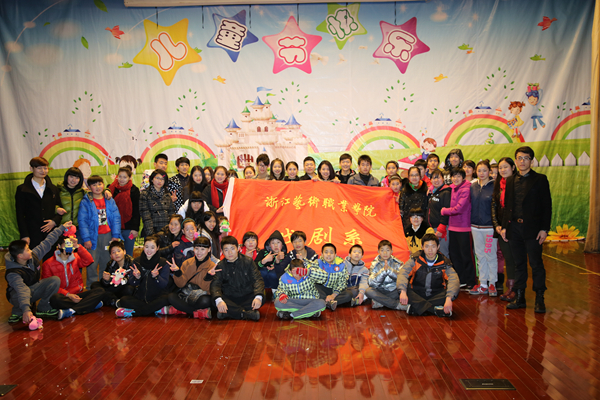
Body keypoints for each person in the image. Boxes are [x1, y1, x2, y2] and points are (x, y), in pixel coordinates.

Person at [501, 146, 551, 313]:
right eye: (519, 158)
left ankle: (539, 298)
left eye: (526, 158)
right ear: (516, 161)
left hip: (533, 229)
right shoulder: (510, 180)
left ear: (531, 161)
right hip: (514, 228)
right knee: (519, 264)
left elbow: (547, 206)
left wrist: (544, 229)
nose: (522, 161)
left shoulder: (540, 179)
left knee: (536, 264)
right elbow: (507, 207)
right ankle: (520, 297)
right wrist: (505, 227)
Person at [6, 221, 74, 324]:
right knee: (22, 293)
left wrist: (62, 228)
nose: (30, 251)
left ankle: (43, 308)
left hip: (32, 290)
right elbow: (22, 290)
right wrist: (26, 309)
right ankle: (18, 311)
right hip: (17, 295)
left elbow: (47, 242)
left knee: (54, 280)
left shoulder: (33, 256)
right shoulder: (13, 272)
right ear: (20, 256)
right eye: (27, 250)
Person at [42, 234, 106, 315]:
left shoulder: (75, 257)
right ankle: (88, 305)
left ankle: (72, 310)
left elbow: (89, 260)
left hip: (77, 294)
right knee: (55, 299)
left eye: (70, 245)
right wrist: (68, 295)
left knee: (100, 291)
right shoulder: (48, 264)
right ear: (59, 246)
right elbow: (48, 286)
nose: (68, 248)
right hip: (63, 296)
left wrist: (77, 246)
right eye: (66, 245)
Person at [397, 233, 459, 317]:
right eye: (427, 246)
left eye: (433, 246)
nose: (430, 250)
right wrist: (403, 291)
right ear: (422, 247)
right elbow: (403, 273)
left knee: (452, 294)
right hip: (417, 294)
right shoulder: (415, 259)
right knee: (403, 290)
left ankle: (417, 308)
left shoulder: (444, 262)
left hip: (436, 295)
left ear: (438, 247)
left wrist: (448, 298)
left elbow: (454, 279)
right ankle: (434, 310)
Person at [78, 175, 122, 289]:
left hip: (107, 236)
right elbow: (82, 221)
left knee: (106, 261)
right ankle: (91, 287)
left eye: (100, 184)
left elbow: (116, 218)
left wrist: (115, 235)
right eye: (94, 185)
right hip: (93, 237)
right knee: (92, 262)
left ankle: (104, 286)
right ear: (89, 187)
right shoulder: (86, 202)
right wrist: (86, 239)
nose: (98, 187)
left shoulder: (109, 199)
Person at [210, 236, 264, 321]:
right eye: (226, 250)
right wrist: (219, 301)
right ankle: (245, 313)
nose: (230, 252)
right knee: (214, 299)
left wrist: (258, 297)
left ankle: (230, 312)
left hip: (247, 296)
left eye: (232, 248)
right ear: (222, 251)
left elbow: (257, 279)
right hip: (230, 298)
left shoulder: (248, 261)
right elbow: (215, 284)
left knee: (261, 296)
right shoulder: (220, 265)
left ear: (238, 248)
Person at [115, 235, 170, 317]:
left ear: (158, 248)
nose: (149, 250)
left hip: (157, 298)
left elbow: (164, 284)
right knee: (124, 300)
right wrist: (137, 277)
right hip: (141, 299)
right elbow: (132, 282)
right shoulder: (137, 261)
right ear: (143, 247)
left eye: (152, 247)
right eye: (146, 247)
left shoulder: (163, 263)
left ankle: (135, 312)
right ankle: (153, 309)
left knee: (167, 298)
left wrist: (156, 277)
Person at [15, 157, 62, 250]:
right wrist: (24, 235)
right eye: (39, 168)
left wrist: (54, 221)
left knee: (50, 258)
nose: (43, 171)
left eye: (45, 168)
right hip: (32, 232)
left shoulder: (53, 188)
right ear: (31, 169)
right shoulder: (22, 189)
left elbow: (60, 209)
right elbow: (19, 214)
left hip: (50, 233)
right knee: (33, 257)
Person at [441, 168, 476, 289]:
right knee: (455, 255)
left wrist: (444, 211)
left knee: (466, 255)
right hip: (452, 227)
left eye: (458, 176)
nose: (455, 179)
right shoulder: (452, 188)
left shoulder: (466, 189)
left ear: (463, 177)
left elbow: (459, 208)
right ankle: (461, 279)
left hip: (464, 228)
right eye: (453, 176)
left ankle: (471, 281)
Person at [167, 236, 218, 319]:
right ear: (193, 249)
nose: (199, 252)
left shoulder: (212, 267)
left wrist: (208, 277)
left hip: (200, 296)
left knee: (206, 300)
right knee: (171, 296)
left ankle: (182, 309)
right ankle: (196, 312)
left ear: (209, 249)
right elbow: (180, 285)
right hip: (186, 294)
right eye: (196, 249)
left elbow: (207, 290)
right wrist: (177, 272)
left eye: (203, 249)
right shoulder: (187, 263)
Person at [469, 160, 498, 296]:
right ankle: (483, 284)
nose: (481, 173)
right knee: (480, 256)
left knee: (490, 255)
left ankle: (492, 283)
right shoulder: (473, 186)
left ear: (489, 172)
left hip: (489, 228)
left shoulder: (495, 186)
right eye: (479, 170)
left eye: (484, 170)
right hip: (475, 227)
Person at [492, 157, 518, 301]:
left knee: (516, 259)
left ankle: (517, 289)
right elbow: (494, 207)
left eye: (506, 167)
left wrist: (506, 227)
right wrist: (497, 226)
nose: (502, 170)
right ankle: (510, 288)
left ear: (513, 168)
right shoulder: (498, 185)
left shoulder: (518, 184)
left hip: (514, 228)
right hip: (501, 229)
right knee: (508, 258)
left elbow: (515, 209)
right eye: (500, 168)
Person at [365, 240, 406, 310]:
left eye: (387, 250)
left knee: (406, 288)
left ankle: (381, 302)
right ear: (378, 252)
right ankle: (397, 305)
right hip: (380, 291)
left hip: (393, 291)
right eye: (382, 250)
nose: (385, 253)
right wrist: (383, 272)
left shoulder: (398, 263)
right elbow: (371, 283)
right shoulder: (374, 264)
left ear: (391, 251)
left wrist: (389, 271)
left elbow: (402, 279)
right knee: (368, 291)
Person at [108, 166, 140, 256]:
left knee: (128, 253)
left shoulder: (134, 190)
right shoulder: (111, 189)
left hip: (128, 227)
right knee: (114, 253)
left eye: (125, 177)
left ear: (130, 178)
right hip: (113, 227)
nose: (121, 179)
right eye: (120, 176)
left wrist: (135, 228)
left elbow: (136, 210)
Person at [313, 243, 350, 310]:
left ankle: (326, 302)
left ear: (335, 255)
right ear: (322, 254)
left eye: (331, 252)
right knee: (313, 287)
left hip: (334, 289)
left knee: (348, 294)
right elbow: (312, 278)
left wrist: (333, 295)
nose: (328, 254)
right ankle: (329, 302)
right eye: (326, 252)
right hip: (321, 289)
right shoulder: (317, 263)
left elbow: (342, 282)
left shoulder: (341, 265)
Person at [139, 169, 175, 236]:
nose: (160, 181)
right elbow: (145, 215)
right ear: (152, 179)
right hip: (152, 230)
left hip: (166, 230)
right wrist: (151, 233)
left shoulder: (167, 194)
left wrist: (170, 230)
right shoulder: (145, 194)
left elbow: (171, 212)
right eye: (157, 178)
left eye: (162, 179)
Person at [427, 169, 450, 258]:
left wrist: (442, 228)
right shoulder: (432, 192)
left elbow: (446, 211)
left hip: (441, 228)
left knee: (443, 253)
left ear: (443, 179)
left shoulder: (446, 192)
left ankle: (446, 268)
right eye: (434, 178)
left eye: (438, 177)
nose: (436, 180)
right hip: (433, 227)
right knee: (434, 254)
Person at [55, 167, 85, 232]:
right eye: (71, 177)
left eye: (77, 178)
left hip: (77, 228)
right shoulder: (58, 190)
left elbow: (96, 192)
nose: (74, 180)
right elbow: (48, 205)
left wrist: (106, 190)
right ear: (67, 177)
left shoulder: (82, 192)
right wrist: (56, 209)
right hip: (61, 227)